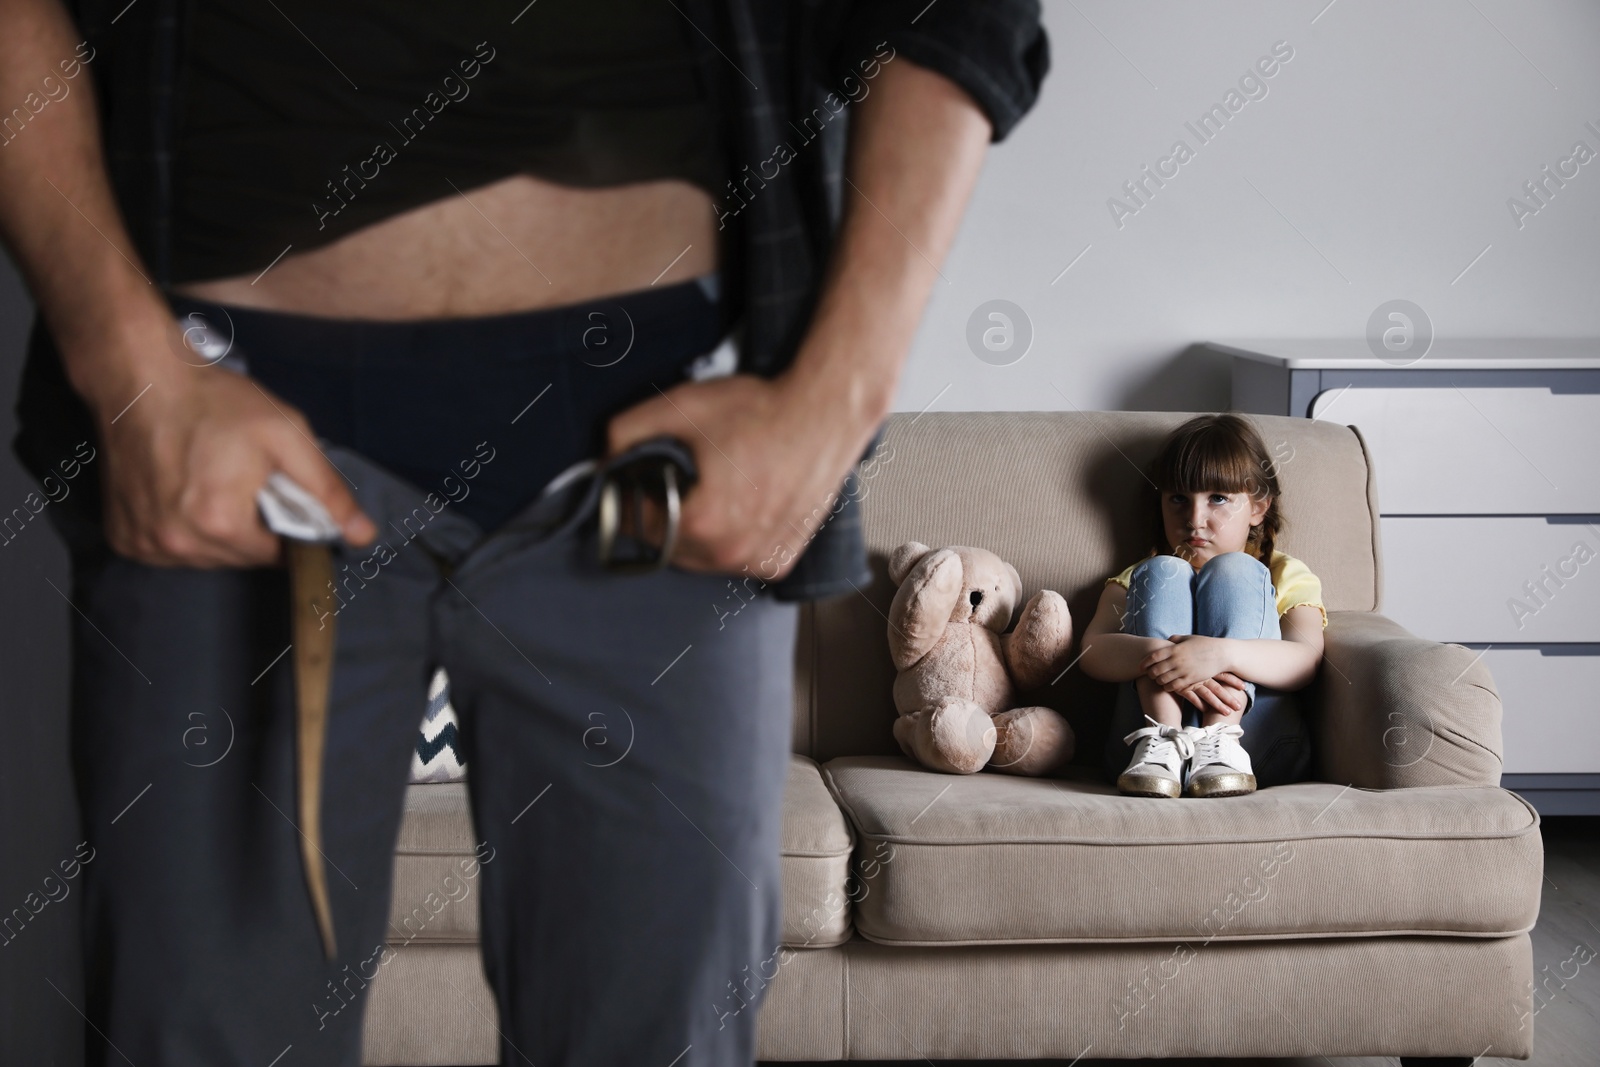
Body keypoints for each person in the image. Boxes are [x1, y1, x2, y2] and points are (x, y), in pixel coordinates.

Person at [0, 0, 1049, 1063]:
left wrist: (834, 406)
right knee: (200, 1036)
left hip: (665, 459)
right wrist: (123, 360)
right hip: (231, 448)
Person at [1079, 414, 1326, 799]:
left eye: (1219, 499)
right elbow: (1092, 651)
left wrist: (1220, 654)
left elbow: (1306, 660)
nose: (1195, 520)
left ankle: (1221, 739)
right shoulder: (1138, 577)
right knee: (1164, 570)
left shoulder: (1283, 573)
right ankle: (1164, 740)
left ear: (1258, 508)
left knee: (1235, 570)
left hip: (1256, 749)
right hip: (1144, 761)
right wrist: (1166, 655)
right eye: (1178, 498)